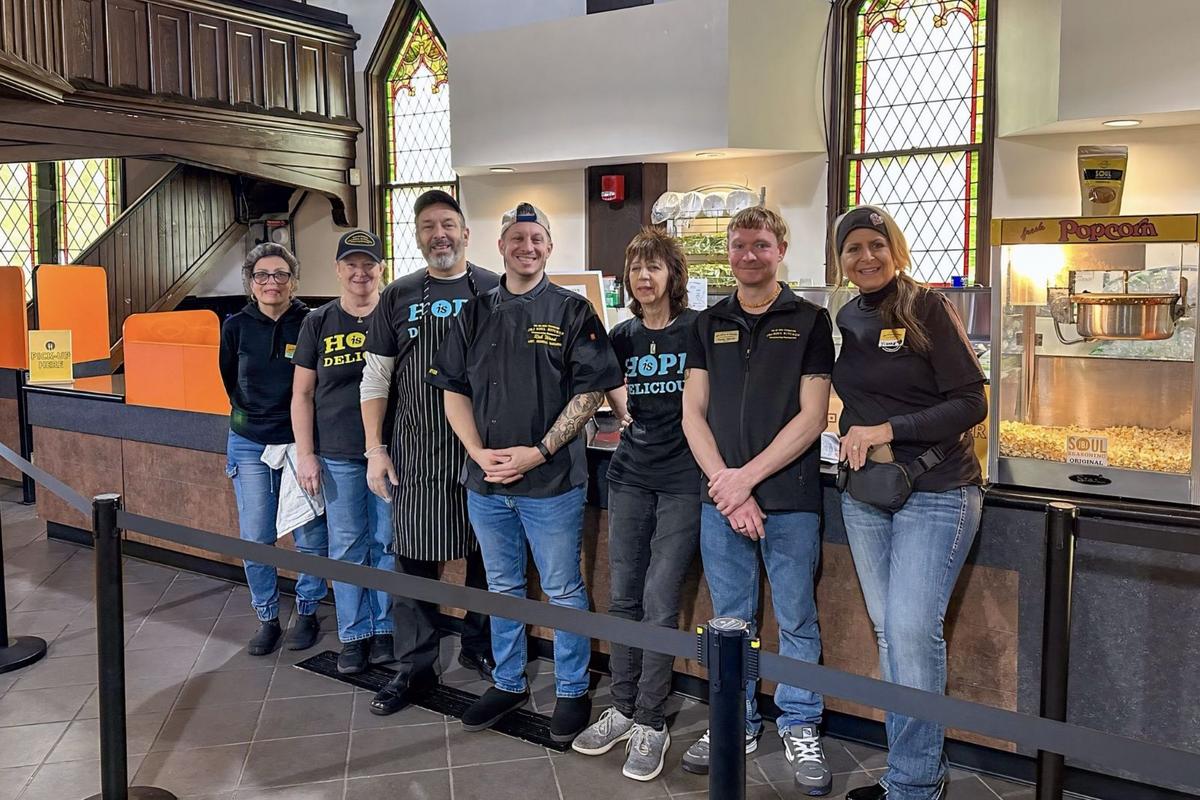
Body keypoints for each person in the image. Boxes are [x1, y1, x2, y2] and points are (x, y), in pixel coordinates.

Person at [427, 202, 624, 743]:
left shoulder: (573, 310)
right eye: (517, 239)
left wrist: (538, 452)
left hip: (551, 483)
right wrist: (476, 451)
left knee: (563, 589)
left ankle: (572, 690)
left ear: (549, 247)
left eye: (536, 239)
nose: (527, 247)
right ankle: (508, 681)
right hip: (485, 481)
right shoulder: (473, 311)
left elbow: (590, 393)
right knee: (502, 587)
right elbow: (452, 390)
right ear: (501, 247)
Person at [831, 205, 986, 800]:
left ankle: (916, 784)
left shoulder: (928, 308)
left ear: (895, 250)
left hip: (938, 491)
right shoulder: (848, 314)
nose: (866, 257)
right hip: (868, 492)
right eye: (853, 248)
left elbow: (971, 402)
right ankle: (909, 773)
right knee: (891, 634)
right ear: (841, 260)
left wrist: (889, 429)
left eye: (877, 245)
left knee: (912, 633)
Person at [680, 206, 835, 796]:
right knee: (729, 619)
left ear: (781, 250)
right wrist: (727, 485)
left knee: (796, 618)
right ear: (728, 251)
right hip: (721, 499)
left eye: (761, 245)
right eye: (740, 245)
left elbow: (812, 417)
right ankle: (735, 721)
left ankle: (800, 724)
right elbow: (692, 413)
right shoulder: (707, 323)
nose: (749, 255)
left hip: (789, 498)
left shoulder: (811, 320)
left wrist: (746, 479)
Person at [359, 191, 500, 714]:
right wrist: (375, 448)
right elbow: (375, 378)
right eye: (427, 226)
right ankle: (414, 667)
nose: (439, 234)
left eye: (448, 224)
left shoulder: (495, 288)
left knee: (488, 556)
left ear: (465, 232)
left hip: (482, 450)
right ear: (417, 237)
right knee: (412, 562)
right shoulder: (397, 295)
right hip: (415, 450)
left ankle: (480, 646)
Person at [571, 228, 699, 781]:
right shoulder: (622, 336)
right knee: (622, 595)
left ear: (673, 275)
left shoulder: (697, 330)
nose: (644, 277)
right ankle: (622, 707)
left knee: (659, 599)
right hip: (628, 475)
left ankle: (651, 718)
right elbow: (599, 384)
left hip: (684, 480)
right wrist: (622, 413)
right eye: (636, 268)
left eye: (654, 267)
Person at [291, 230, 395, 675]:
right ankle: (354, 634)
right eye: (351, 264)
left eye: (368, 264)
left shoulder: (395, 316)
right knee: (348, 545)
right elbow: (302, 394)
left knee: (387, 543)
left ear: (381, 269)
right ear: (337, 270)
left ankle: (386, 628)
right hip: (336, 454)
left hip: (388, 453)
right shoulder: (318, 322)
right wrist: (306, 454)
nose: (360, 272)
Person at [218, 243, 328, 656]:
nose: (272, 283)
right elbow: (229, 379)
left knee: (311, 534)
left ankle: (308, 611)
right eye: (262, 275)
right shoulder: (235, 327)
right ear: (251, 282)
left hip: (302, 442)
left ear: (293, 281)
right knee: (256, 536)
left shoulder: (312, 322)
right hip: (249, 442)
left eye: (281, 274)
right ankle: (266, 616)